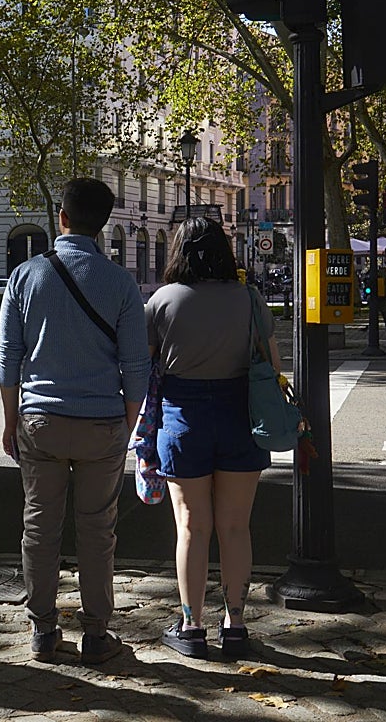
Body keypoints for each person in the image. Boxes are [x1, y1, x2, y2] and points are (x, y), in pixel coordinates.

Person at [0, 178, 149, 666]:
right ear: (102, 225)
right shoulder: (121, 282)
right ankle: (97, 635)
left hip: (39, 420)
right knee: (97, 531)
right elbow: (136, 366)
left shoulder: (25, 276)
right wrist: (126, 425)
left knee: (39, 526)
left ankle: (42, 631)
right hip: (102, 423)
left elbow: (7, 357)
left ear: (61, 216)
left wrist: (10, 418)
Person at [145, 217, 278, 660]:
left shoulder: (162, 300)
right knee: (236, 526)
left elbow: (145, 370)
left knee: (191, 527)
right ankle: (235, 625)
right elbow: (272, 365)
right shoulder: (250, 299)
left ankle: (191, 626)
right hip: (242, 415)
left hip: (183, 420)